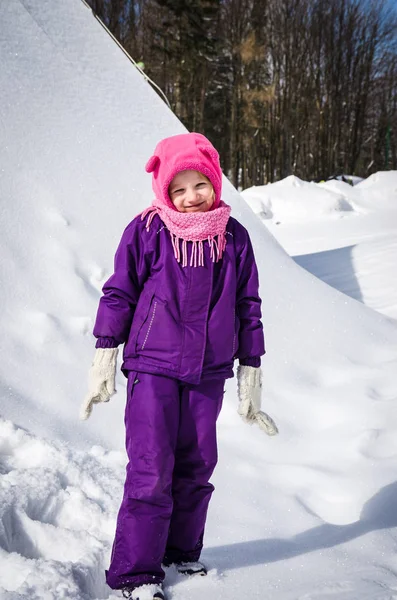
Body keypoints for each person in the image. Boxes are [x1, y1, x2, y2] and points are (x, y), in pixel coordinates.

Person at [80, 132, 278, 600]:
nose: (191, 198)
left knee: (197, 465)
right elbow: (120, 292)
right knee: (151, 468)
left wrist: (251, 368)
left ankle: (181, 554)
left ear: (215, 182)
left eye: (200, 185)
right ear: (164, 191)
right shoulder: (147, 230)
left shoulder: (233, 237)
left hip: (209, 372)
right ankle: (134, 577)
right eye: (179, 189)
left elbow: (248, 304)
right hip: (153, 368)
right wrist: (105, 354)